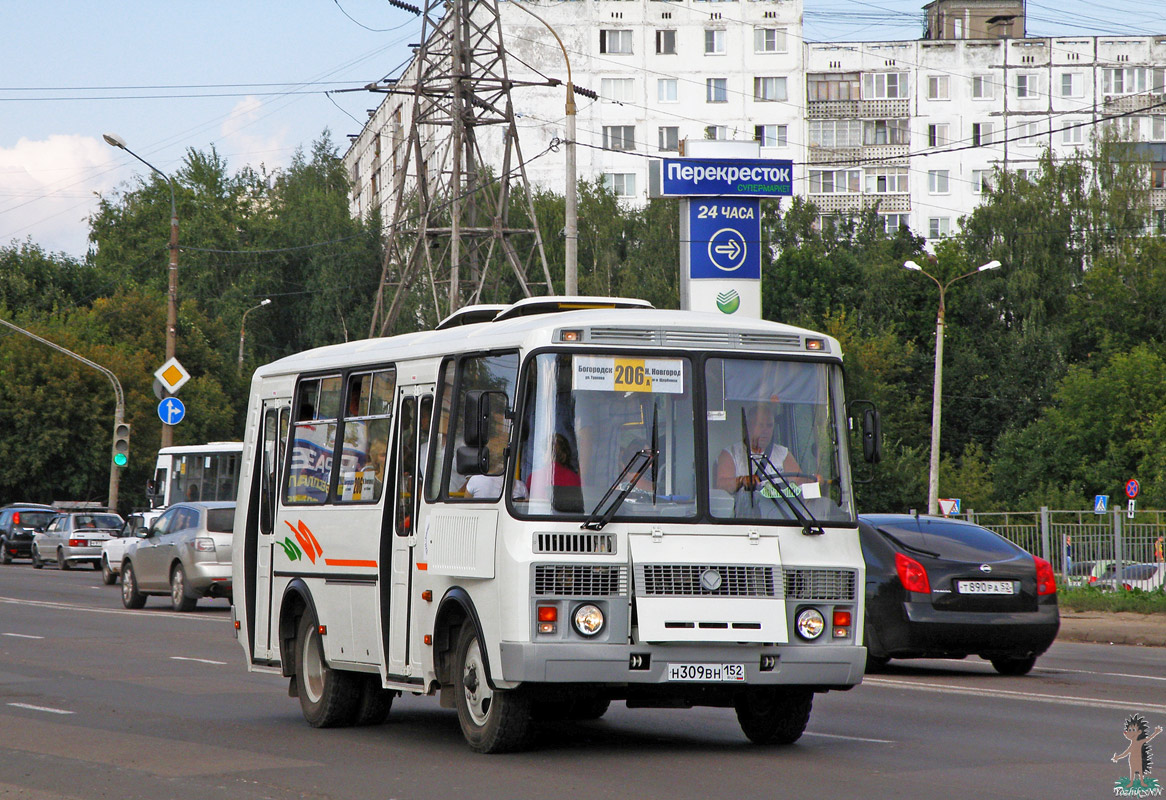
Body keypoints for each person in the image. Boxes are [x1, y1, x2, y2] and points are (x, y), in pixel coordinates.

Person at [716, 402, 804, 493]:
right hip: (743, 506)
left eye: (769, 426)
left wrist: (813, 480)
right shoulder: (730, 453)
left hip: (778, 506)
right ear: (748, 426)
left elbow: (799, 481)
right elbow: (722, 485)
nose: (765, 430)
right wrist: (742, 481)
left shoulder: (782, 453)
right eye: (760, 425)